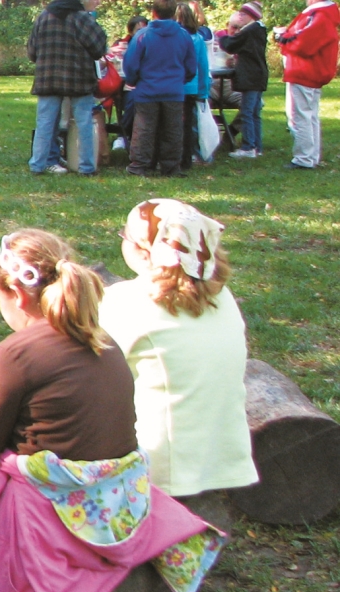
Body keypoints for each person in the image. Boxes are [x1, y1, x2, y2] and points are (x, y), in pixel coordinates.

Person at [0, 231, 222, 592]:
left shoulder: (15, 355)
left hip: (48, 512)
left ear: (18, 295)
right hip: (113, 503)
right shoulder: (104, 341)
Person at [100, 200, 259, 501]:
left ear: (144, 251)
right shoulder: (221, 295)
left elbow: (85, 368)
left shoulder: (124, 301)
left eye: (125, 236)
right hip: (221, 454)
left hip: (159, 466)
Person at [26, 0, 108, 175]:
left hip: (48, 77)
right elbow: (99, 48)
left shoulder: (44, 17)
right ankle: (86, 166)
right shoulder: (82, 18)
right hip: (78, 77)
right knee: (84, 123)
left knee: (45, 123)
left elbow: (32, 51)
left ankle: (37, 164)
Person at [121, 0, 196, 176]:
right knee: (173, 130)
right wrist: (181, 80)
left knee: (144, 130)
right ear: (174, 12)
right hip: (173, 90)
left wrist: (132, 80)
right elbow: (191, 66)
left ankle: (139, 165)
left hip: (147, 90)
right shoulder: (184, 36)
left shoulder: (142, 36)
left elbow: (131, 64)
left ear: (153, 12)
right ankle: (171, 166)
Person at [275, 0, 340, 169]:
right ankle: (311, 156)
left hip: (306, 72)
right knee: (309, 115)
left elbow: (302, 42)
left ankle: (304, 159)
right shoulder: (322, 15)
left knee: (300, 116)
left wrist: (281, 37)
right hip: (310, 72)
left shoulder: (319, 16)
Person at [219, 1, 269, 159]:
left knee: (247, 112)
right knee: (254, 113)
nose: (240, 16)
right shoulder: (259, 30)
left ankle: (248, 146)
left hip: (251, 76)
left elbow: (230, 44)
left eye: (243, 14)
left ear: (252, 16)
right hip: (259, 75)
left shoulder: (249, 31)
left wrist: (226, 34)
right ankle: (257, 146)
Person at [176, 2, 212, 170]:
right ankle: (189, 156)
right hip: (191, 86)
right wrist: (203, 89)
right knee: (188, 123)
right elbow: (203, 65)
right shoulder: (197, 38)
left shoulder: (176, 38)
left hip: (176, 85)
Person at [110, 16, 150, 152]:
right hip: (126, 85)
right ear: (131, 31)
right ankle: (123, 134)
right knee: (133, 100)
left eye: (144, 29)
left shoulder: (152, 43)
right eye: (138, 29)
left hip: (148, 85)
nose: (141, 32)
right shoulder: (121, 45)